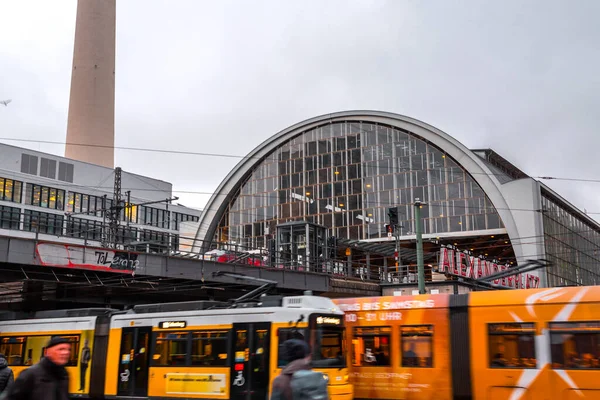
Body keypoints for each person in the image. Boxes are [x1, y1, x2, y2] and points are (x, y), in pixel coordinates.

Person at [3, 336, 71, 400]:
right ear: (47, 352)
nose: (66, 352)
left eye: (68, 349)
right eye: (61, 349)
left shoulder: (64, 375)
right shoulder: (30, 374)